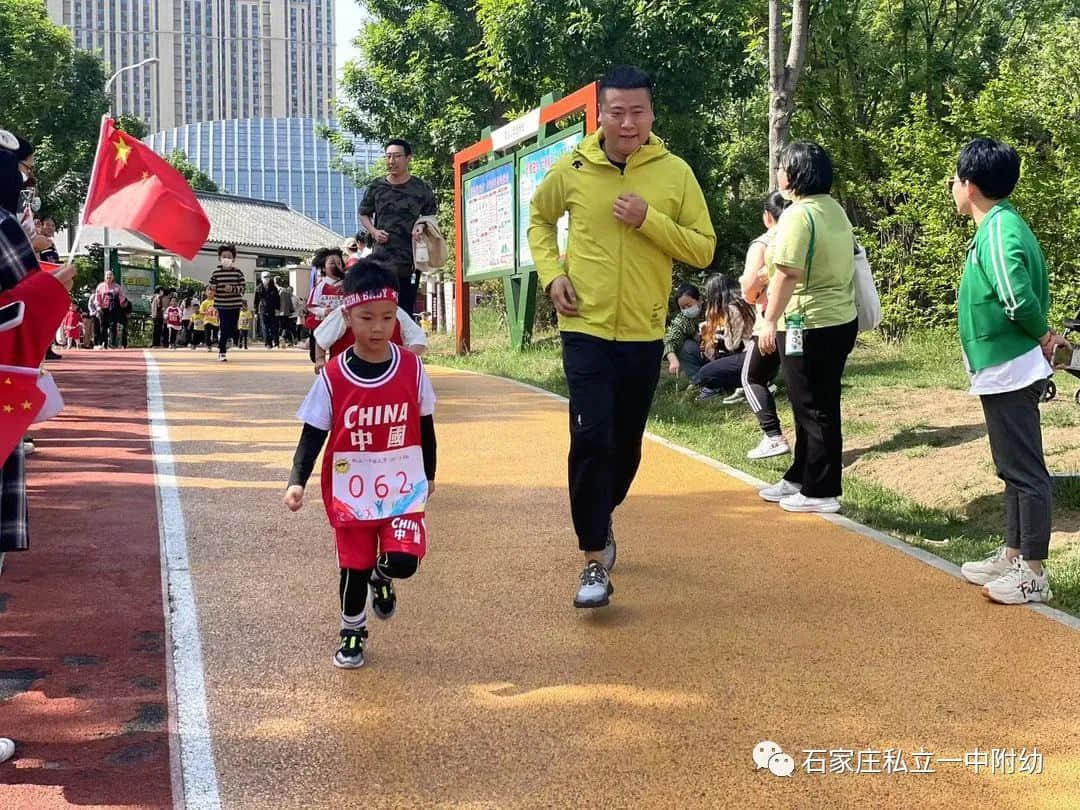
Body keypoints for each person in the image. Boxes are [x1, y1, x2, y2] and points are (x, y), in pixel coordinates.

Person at [528, 65, 716, 608]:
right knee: (590, 438)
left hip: (641, 331)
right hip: (583, 327)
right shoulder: (575, 165)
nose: (627, 123)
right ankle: (592, 559)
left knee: (626, 446)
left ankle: (601, 514)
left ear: (651, 115)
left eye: (637, 112)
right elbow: (539, 220)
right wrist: (552, 274)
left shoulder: (674, 173)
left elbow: (702, 248)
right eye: (617, 112)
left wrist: (649, 219)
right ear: (602, 115)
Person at [283, 261, 437, 669]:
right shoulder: (333, 378)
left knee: (402, 562)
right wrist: (297, 480)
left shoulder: (412, 368)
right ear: (347, 316)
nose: (378, 327)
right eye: (367, 318)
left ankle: (383, 578)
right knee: (354, 566)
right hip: (352, 492)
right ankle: (352, 631)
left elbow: (425, 422)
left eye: (387, 318)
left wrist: (432, 474)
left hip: (402, 488)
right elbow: (313, 432)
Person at [948, 139, 1066, 605]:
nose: (952, 187)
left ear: (970, 186)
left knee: (1025, 470)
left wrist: (1044, 335)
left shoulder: (998, 230)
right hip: (1003, 366)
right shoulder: (1001, 225)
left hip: (1012, 365)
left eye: (955, 180)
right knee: (1011, 466)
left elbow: (1014, 295)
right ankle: (1015, 554)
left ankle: (1033, 572)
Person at [0, 131, 76, 764]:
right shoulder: (2, 226)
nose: (23, 181)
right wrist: (62, 279)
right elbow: (21, 312)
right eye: (17, 169)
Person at [757, 142, 857, 514]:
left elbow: (787, 272)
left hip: (808, 320)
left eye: (782, 167)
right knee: (810, 402)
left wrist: (769, 320)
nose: (778, 174)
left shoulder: (798, 215)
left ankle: (822, 488)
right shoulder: (834, 211)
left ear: (794, 174)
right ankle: (800, 474)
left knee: (814, 405)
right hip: (837, 319)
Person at [739, 191, 793, 459]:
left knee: (751, 378)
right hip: (803, 318)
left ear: (767, 216)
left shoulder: (763, 243)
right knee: (801, 386)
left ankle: (773, 436)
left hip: (771, 321)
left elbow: (749, 288)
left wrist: (756, 286)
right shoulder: (801, 234)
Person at [359, 139, 437, 318]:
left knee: (405, 309)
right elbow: (364, 213)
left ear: (408, 158)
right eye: (388, 157)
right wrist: (374, 231)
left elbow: (430, 215)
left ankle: (402, 345)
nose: (391, 161)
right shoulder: (376, 187)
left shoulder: (421, 188)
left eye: (397, 156)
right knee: (382, 306)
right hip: (381, 259)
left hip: (410, 259)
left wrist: (421, 226)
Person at [694, 275, 754, 401]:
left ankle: (747, 384)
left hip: (751, 357)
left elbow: (732, 345)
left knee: (704, 374)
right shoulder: (745, 303)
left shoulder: (732, 309)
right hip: (765, 357)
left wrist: (714, 334)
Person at [305, 248, 346, 361]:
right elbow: (311, 306)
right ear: (323, 267)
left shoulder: (346, 286)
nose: (336, 266)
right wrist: (323, 311)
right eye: (332, 263)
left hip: (339, 323)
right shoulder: (320, 286)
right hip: (320, 322)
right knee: (316, 351)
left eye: (338, 263)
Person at [207, 244, 245, 361]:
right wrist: (211, 290)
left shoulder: (238, 273)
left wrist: (232, 289)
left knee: (233, 326)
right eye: (224, 256)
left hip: (234, 305)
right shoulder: (216, 273)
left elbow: (243, 288)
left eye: (229, 257)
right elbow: (210, 288)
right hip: (221, 305)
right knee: (224, 327)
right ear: (219, 258)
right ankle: (222, 351)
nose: (226, 259)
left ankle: (229, 338)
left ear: (233, 259)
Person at [663, 283, 704, 381]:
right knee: (685, 346)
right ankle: (697, 380)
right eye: (683, 308)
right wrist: (673, 360)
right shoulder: (681, 320)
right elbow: (670, 341)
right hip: (698, 353)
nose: (686, 310)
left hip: (719, 351)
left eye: (689, 305)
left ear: (700, 300)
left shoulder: (713, 309)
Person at [93, 269, 127, 349]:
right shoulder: (100, 286)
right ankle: (103, 343)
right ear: (105, 277)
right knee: (103, 326)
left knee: (113, 326)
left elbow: (122, 297)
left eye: (110, 275)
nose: (109, 277)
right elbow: (97, 298)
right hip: (103, 309)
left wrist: (117, 299)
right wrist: (98, 307)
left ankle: (112, 344)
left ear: (113, 277)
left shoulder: (117, 287)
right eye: (107, 275)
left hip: (114, 309)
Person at [254, 270, 280, 348]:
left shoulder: (274, 288)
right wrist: (255, 312)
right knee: (265, 328)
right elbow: (256, 301)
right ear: (261, 278)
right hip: (262, 310)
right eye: (265, 277)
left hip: (272, 310)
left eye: (268, 277)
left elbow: (277, 299)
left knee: (274, 327)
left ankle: (276, 342)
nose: (266, 278)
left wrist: (277, 309)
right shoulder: (258, 288)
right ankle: (268, 343)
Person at [277, 276, 296, 347]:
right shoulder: (286, 291)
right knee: (287, 327)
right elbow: (290, 302)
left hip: (279, 312)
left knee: (281, 327)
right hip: (286, 312)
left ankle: (281, 338)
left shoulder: (277, 290)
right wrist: (291, 310)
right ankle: (285, 339)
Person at [199, 287, 219, 351]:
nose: (210, 292)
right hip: (207, 321)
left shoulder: (216, 301)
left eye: (212, 290)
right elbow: (201, 311)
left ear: (215, 292)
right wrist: (205, 312)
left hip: (215, 321)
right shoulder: (204, 302)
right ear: (206, 292)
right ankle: (208, 346)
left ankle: (215, 341)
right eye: (208, 290)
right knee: (207, 334)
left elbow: (220, 309)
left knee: (215, 335)